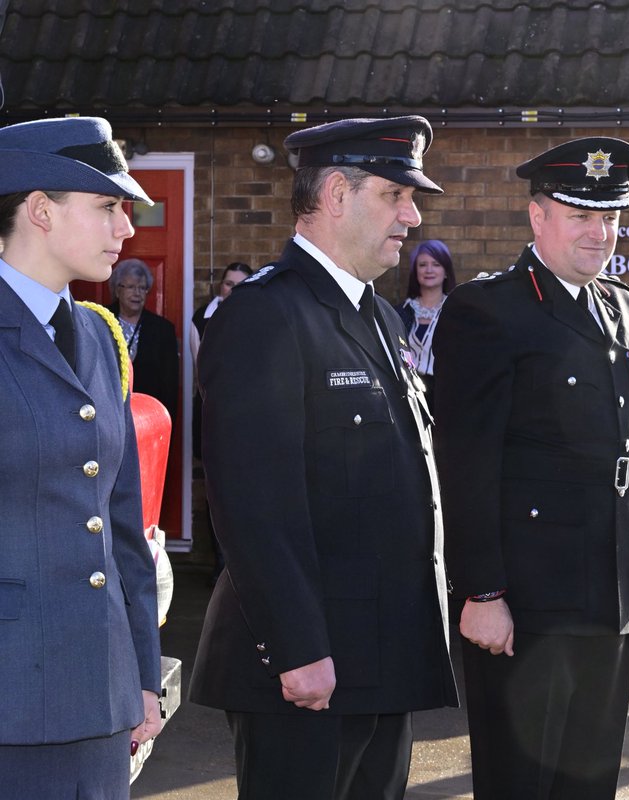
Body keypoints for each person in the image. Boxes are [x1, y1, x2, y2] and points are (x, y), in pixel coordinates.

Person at [188, 116, 458, 800]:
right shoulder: (265, 316)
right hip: (308, 669)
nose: (413, 214)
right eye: (396, 194)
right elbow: (254, 507)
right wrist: (299, 648)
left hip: (381, 656)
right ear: (337, 193)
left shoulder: (382, 317)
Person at [433, 136, 629, 799]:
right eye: (582, 216)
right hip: (528, 599)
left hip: (610, 589)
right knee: (521, 781)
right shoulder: (488, 310)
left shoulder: (625, 305)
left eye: (610, 218)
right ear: (537, 217)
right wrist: (482, 592)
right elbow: (465, 462)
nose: (600, 233)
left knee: (589, 779)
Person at [0, 116, 162, 798]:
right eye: (106, 208)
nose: (125, 231)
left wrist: (143, 677)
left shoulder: (97, 337)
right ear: (39, 210)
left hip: (101, 697)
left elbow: (119, 523)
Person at [189, 261, 252, 584]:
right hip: (214, 415)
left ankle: (243, 566)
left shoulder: (259, 317)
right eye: (228, 283)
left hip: (252, 420)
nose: (233, 290)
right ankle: (221, 565)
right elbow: (202, 372)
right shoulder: (201, 318)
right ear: (220, 287)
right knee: (217, 493)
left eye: (241, 284)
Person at [108, 257, 179, 418]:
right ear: (117, 290)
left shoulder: (163, 329)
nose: (137, 293)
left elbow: (169, 385)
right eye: (131, 287)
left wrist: (166, 419)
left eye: (142, 288)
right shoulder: (101, 320)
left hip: (147, 415)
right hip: (109, 412)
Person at [395, 239, 455, 408]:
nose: (429, 270)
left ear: (446, 271)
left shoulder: (457, 313)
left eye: (436, 264)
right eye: (422, 265)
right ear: (415, 271)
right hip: (407, 396)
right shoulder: (399, 312)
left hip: (445, 396)